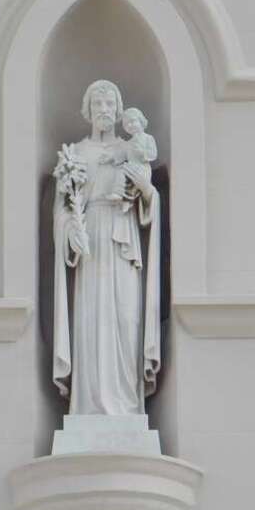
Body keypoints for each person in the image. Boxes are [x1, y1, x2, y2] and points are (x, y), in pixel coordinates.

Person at [53, 80, 161, 415]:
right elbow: (63, 209)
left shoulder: (131, 148)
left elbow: (151, 199)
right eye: (97, 104)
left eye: (109, 104)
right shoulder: (77, 153)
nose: (104, 110)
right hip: (91, 244)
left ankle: (127, 405)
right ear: (88, 111)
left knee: (126, 319)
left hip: (123, 237)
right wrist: (70, 230)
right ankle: (88, 404)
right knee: (92, 320)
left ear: (118, 110)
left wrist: (146, 191)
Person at [105, 107, 158, 212]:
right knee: (120, 171)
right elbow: (121, 156)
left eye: (133, 121)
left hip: (142, 169)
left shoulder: (148, 138)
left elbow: (153, 154)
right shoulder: (128, 143)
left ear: (141, 121)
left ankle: (128, 201)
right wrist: (109, 158)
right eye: (127, 124)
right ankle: (120, 195)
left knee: (132, 179)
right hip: (130, 168)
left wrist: (142, 153)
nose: (130, 125)